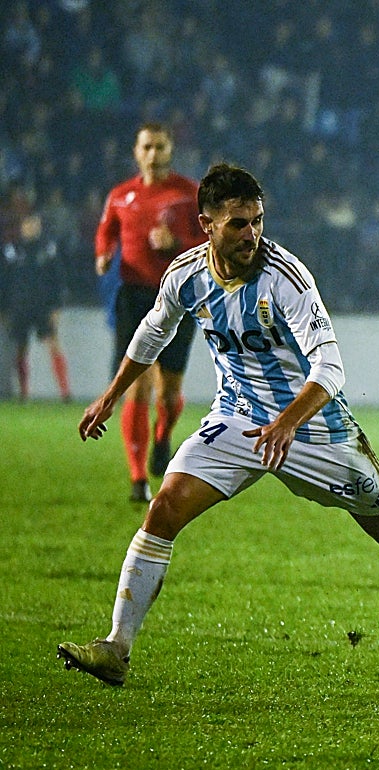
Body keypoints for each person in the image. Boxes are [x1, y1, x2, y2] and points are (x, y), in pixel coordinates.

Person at [58, 164, 379, 687]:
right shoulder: (185, 276)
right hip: (237, 420)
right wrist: (110, 396)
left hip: (315, 430)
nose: (251, 234)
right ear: (206, 224)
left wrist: (286, 423)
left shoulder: (285, 277)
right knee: (163, 509)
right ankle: (116, 648)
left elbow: (330, 369)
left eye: (258, 220)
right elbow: (153, 334)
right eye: (238, 223)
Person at [95, 122, 207, 502]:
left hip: (178, 296)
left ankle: (163, 437)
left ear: (170, 150)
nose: (153, 154)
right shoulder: (121, 195)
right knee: (136, 386)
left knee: (170, 387)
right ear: (136, 151)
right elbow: (106, 230)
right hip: (134, 296)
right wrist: (103, 252)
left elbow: (208, 239)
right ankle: (137, 480)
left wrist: (177, 241)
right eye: (147, 147)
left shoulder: (189, 194)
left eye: (160, 147)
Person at [1, 192, 71, 401]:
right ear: (22, 227)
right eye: (28, 224)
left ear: (39, 226)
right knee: (21, 350)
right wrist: (4, 308)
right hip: (19, 307)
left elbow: (58, 281)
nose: (32, 227)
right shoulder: (11, 251)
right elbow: (4, 282)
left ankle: (65, 392)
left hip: (43, 307)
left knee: (53, 344)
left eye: (35, 224)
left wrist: (56, 308)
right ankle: (23, 393)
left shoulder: (48, 250)